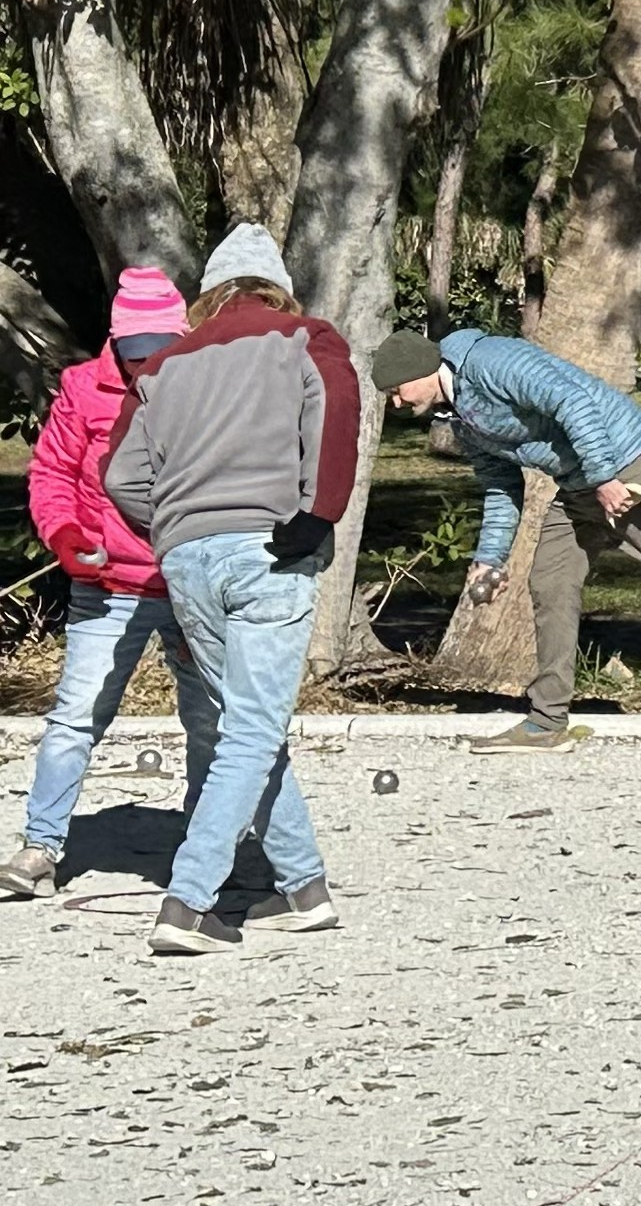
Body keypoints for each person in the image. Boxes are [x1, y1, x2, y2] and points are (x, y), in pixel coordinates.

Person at [367, 325, 641, 753]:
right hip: (580, 484)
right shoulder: (460, 416)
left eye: (397, 391)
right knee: (550, 583)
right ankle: (547, 721)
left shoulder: (491, 361)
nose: (397, 402)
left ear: (419, 370)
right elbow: (501, 485)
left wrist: (605, 478)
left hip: (625, 463)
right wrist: (490, 558)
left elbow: (572, 401)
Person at [101, 224, 344, 954]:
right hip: (269, 547)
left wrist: (173, 526)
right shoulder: (306, 339)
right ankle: (189, 901)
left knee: (245, 724)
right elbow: (336, 420)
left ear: (206, 295)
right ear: (277, 288)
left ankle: (304, 887)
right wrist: (318, 512)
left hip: (187, 557)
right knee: (253, 729)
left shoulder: (160, 367)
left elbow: (120, 476)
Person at [2, 268, 223, 900]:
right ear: (116, 343)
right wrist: (64, 534)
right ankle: (41, 845)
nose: (146, 365)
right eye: (134, 353)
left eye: (160, 350)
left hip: (192, 583)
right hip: (108, 584)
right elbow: (52, 473)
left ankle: (207, 846)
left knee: (209, 720)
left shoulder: (210, 384)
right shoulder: (82, 388)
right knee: (75, 717)